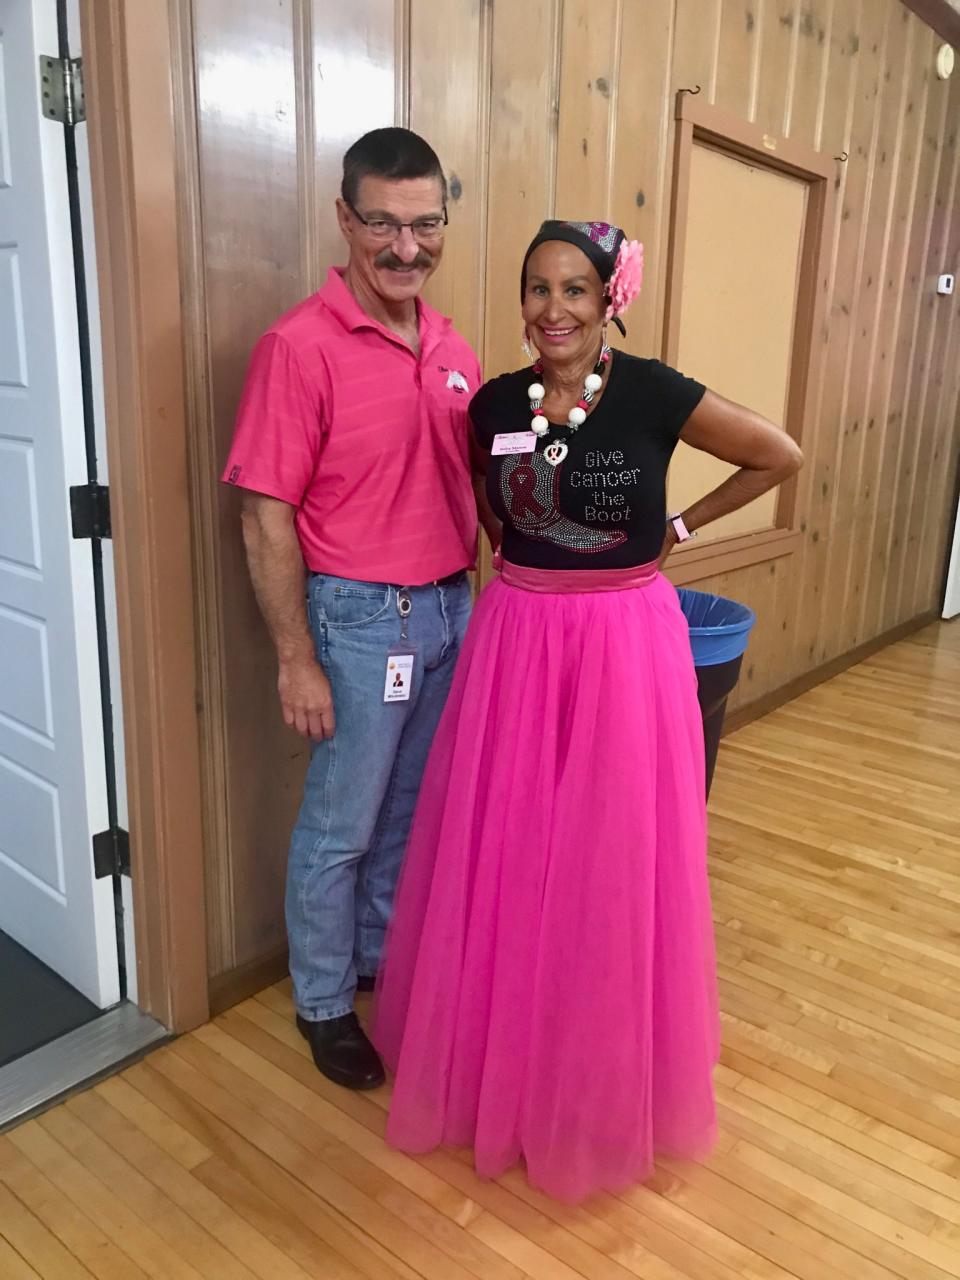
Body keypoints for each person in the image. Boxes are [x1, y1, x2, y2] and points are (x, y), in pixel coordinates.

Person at [371, 218, 802, 1200]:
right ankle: (501, 1061)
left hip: (622, 642)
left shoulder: (653, 391)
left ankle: (595, 1064)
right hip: (518, 638)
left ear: (611, 298)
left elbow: (780, 453)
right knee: (513, 845)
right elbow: (496, 510)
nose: (552, 309)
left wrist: (680, 524)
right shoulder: (489, 404)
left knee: (608, 849)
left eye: (574, 289)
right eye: (537, 288)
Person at [222, 128, 481, 1090]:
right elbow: (263, 515)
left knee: (407, 815)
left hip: (450, 609)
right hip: (361, 621)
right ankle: (325, 1003)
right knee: (342, 826)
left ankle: (375, 963)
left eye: (425, 224)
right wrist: (297, 657)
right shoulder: (297, 347)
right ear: (346, 219)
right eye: (383, 223)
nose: (406, 246)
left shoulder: (452, 344)